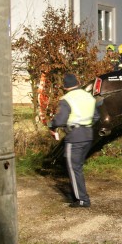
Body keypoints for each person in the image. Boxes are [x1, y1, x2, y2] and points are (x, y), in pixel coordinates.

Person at [49, 73, 99, 208]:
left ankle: (82, 199)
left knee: (73, 167)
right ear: (77, 83)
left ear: (65, 87)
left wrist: (52, 126)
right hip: (88, 135)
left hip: (75, 136)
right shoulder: (88, 96)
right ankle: (78, 194)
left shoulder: (67, 99)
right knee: (77, 167)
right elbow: (96, 117)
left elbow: (60, 119)